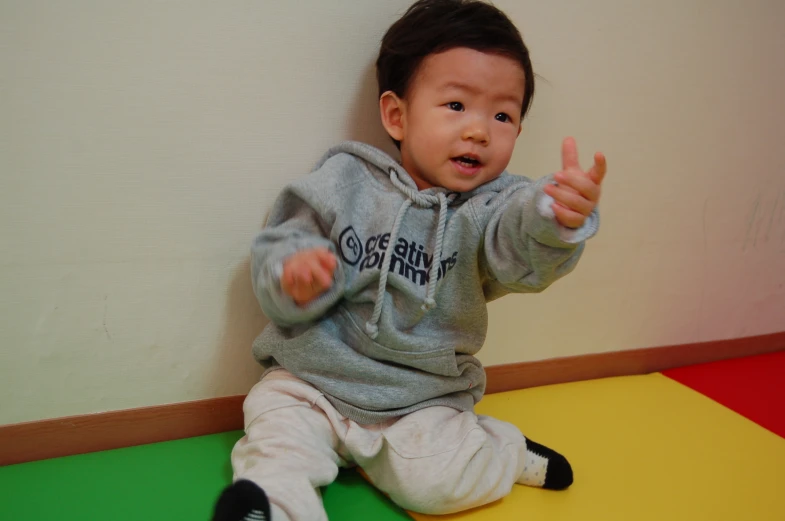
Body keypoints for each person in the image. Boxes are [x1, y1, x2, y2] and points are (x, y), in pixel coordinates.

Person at [212, 0, 607, 520]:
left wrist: (555, 218)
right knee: (273, 424)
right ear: (397, 115)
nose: (479, 131)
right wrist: (293, 274)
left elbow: (519, 250)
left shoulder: (493, 206)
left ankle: (503, 451)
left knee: (437, 487)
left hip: (421, 402)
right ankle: (273, 509)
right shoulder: (344, 179)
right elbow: (280, 244)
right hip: (314, 383)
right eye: (456, 106)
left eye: (503, 115)